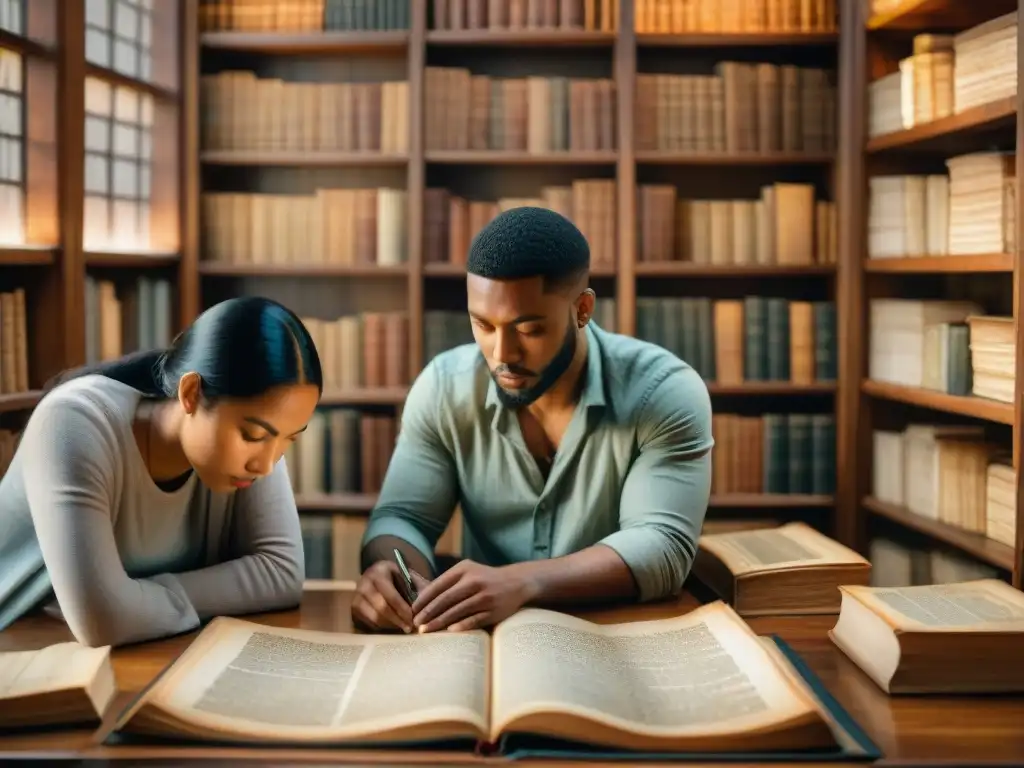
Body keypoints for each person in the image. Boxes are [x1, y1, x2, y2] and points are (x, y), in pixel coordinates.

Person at [353, 206, 714, 634]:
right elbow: (401, 518)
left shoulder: (664, 391)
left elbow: (661, 546)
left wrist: (522, 581)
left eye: (528, 329)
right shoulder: (443, 388)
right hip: (482, 641)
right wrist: (395, 575)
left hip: (618, 637)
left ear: (582, 310)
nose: (502, 353)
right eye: (483, 325)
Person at [0, 296, 322, 647]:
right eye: (253, 435)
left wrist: (132, 603)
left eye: (288, 439)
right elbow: (103, 620)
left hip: (134, 652)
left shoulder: (253, 449)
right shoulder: (72, 424)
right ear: (191, 393)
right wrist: (121, 608)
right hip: (18, 655)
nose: (265, 464)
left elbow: (281, 573)